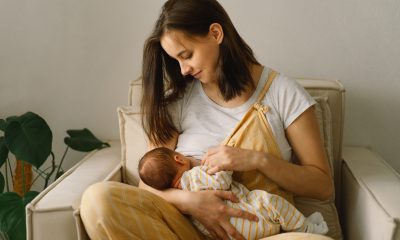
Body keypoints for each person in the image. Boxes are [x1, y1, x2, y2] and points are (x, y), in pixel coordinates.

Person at [80, 0, 336, 239]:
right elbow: (147, 186)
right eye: (176, 60)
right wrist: (190, 202)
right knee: (97, 200)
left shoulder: (283, 93)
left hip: (261, 230)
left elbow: (322, 186)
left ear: (216, 34)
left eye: (186, 55)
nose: (183, 70)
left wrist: (257, 160)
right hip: (184, 230)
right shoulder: (180, 101)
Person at [138, 147, 329, 239]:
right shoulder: (194, 177)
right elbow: (222, 181)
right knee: (268, 201)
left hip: (227, 234)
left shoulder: (175, 193)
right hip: (252, 219)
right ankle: (305, 227)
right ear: (178, 158)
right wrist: (225, 165)